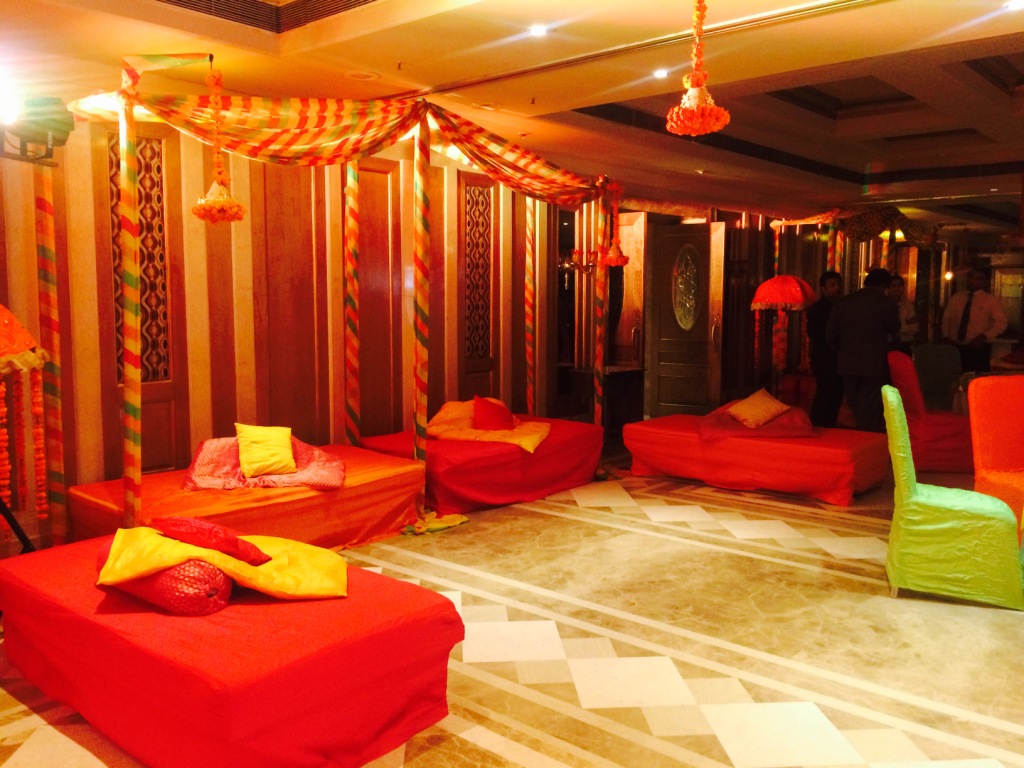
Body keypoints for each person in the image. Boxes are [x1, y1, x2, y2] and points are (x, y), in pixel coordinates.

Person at [826, 268, 900, 432]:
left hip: (847, 363)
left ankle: (862, 433)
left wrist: (843, 351)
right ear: (884, 285)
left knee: (854, 402)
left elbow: (831, 334)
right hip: (874, 364)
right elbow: (895, 329)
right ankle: (867, 438)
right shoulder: (886, 303)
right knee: (870, 406)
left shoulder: (844, 302)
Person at [941, 267, 1008, 373]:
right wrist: (946, 337)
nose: (973, 281)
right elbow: (946, 320)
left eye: (978, 279)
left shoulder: (990, 300)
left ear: (984, 282)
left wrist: (984, 336)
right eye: (971, 277)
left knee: (977, 376)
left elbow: (1001, 322)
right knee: (955, 375)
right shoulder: (957, 298)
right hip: (955, 346)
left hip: (977, 347)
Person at [805, 270, 844, 427]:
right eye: (832, 285)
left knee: (836, 393)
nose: (837, 288)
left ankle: (828, 423)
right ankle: (819, 424)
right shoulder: (817, 309)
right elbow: (814, 333)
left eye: (838, 284)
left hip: (837, 358)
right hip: (824, 357)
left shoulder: (841, 307)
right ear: (823, 288)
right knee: (825, 392)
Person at [887, 275, 919, 355]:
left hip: (904, 346)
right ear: (888, 288)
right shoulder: (883, 306)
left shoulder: (908, 306)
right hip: (886, 346)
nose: (897, 288)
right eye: (893, 286)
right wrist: (905, 323)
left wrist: (897, 328)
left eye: (899, 285)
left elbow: (914, 328)